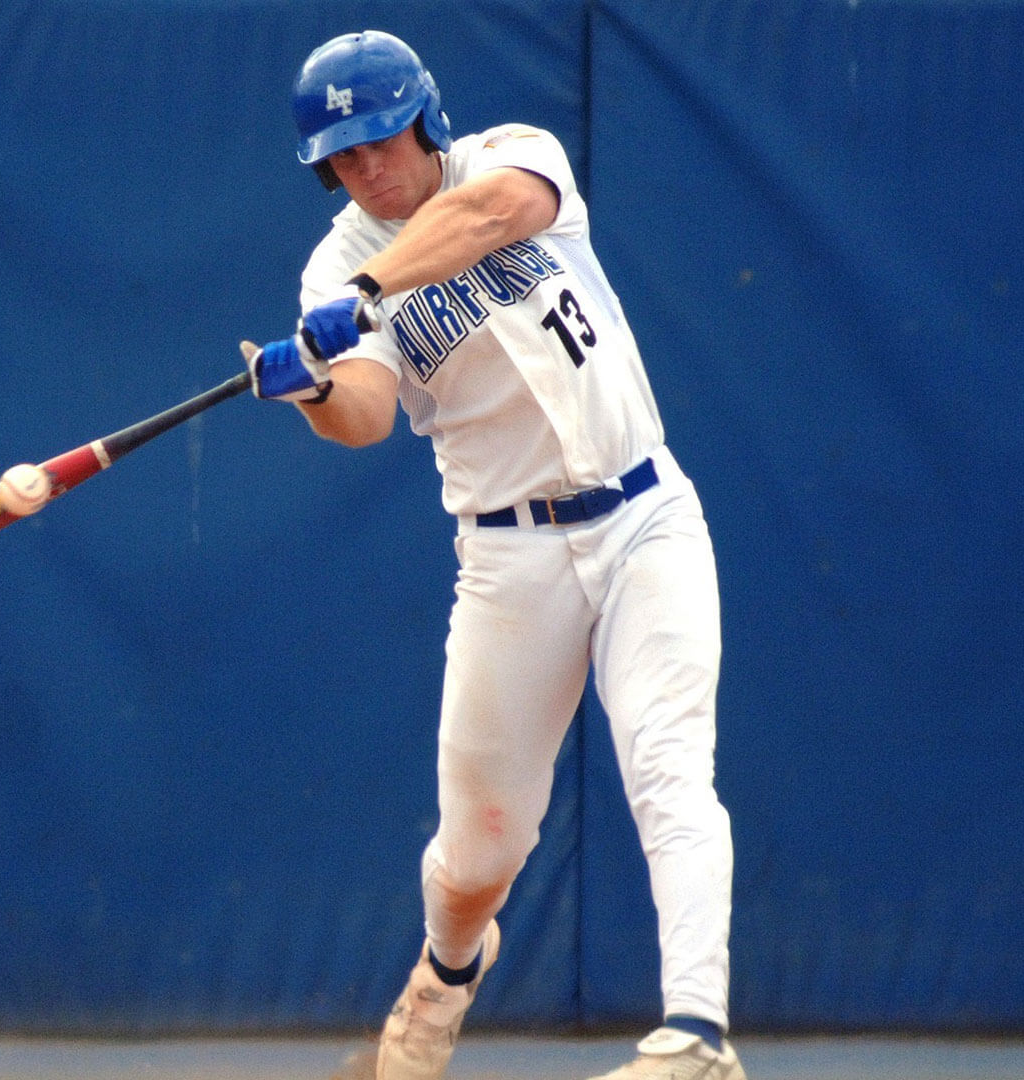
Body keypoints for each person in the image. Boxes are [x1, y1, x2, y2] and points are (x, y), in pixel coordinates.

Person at [245, 31, 744, 1080]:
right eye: (345, 155)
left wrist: (372, 294)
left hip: (646, 515)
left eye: (383, 137)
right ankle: (445, 974)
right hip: (510, 560)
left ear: (424, 119)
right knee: (481, 854)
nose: (370, 167)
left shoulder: (506, 156)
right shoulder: (330, 268)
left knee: (669, 768)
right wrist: (315, 391)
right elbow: (371, 413)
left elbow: (489, 218)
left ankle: (697, 1035)